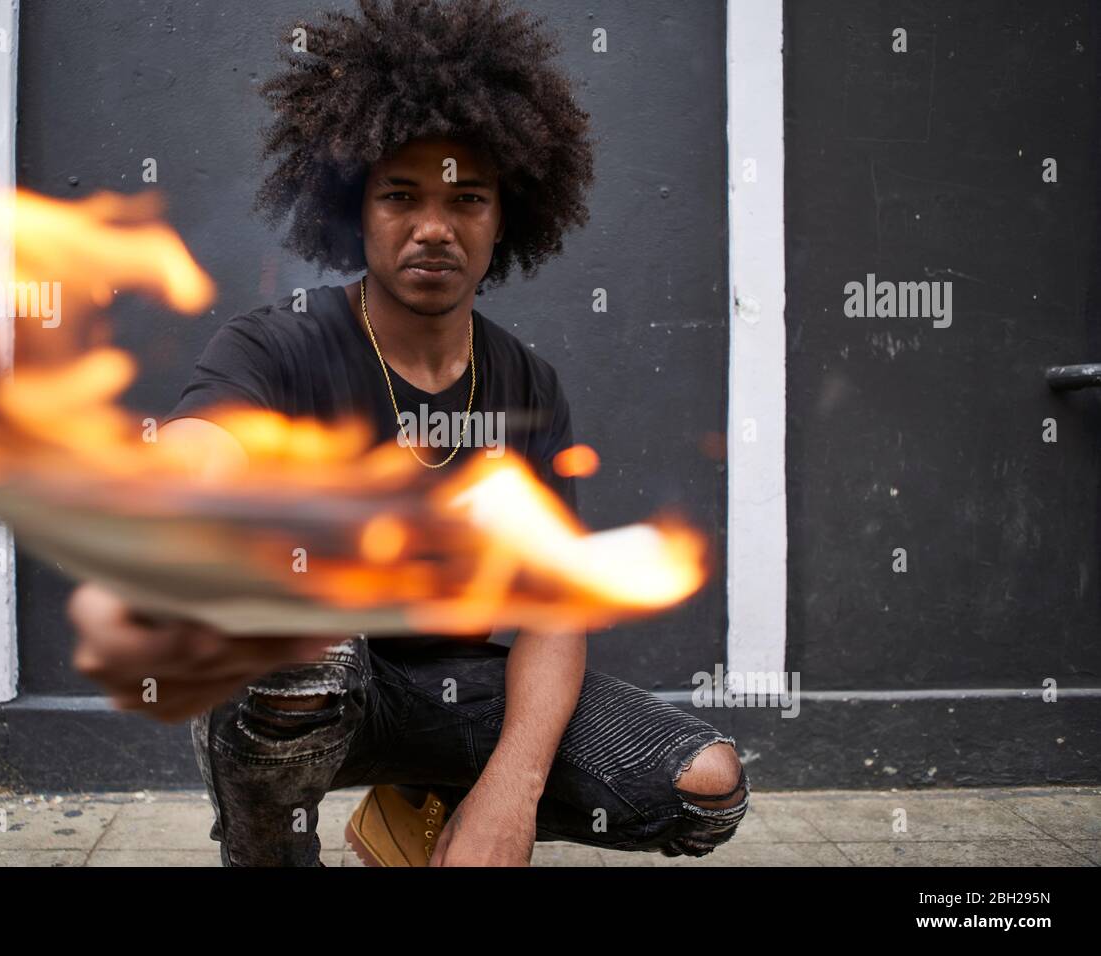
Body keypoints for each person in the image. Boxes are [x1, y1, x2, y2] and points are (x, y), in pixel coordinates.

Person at [67, 0, 749, 867]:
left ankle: (414, 812)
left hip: (456, 691)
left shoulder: (527, 383)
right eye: (401, 196)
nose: (434, 227)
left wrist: (509, 794)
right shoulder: (280, 342)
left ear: (507, 218)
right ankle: (266, 851)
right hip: (300, 682)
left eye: (467, 199)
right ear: (357, 210)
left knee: (709, 788)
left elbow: (553, 610)